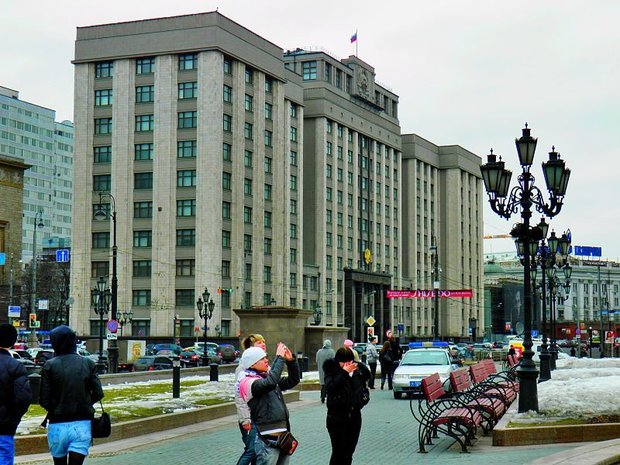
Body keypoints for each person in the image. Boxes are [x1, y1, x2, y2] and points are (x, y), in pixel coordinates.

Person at [40, 325, 104, 465]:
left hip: (57, 423)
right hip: (82, 423)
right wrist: (85, 402)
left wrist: (55, 406)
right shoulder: (88, 363)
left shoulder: (49, 365)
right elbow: (98, 393)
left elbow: (44, 399)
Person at [237, 343, 299, 465]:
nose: (266, 360)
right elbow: (270, 382)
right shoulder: (247, 382)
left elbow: (293, 380)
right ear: (252, 364)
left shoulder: (266, 377)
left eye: (266, 357)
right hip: (266, 440)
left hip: (283, 437)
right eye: (262, 359)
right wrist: (279, 357)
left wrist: (291, 361)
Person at [323, 347, 371, 465]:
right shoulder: (331, 370)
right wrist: (344, 373)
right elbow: (330, 387)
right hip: (336, 418)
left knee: (349, 452)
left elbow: (367, 376)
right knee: (338, 452)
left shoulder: (356, 371)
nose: (346, 365)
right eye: (343, 362)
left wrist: (357, 366)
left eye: (349, 362)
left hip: (354, 416)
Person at [0, 324, 32, 465]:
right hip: (4, 427)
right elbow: (23, 398)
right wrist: (12, 419)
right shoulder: (16, 366)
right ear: (13, 342)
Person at [235, 334, 267, 465]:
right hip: (250, 416)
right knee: (251, 450)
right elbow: (240, 396)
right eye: (259, 342)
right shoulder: (243, 368)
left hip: (261, 415)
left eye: (263, 341)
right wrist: (245, 419)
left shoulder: (264, 366)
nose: (263, 344)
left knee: (258, 450)